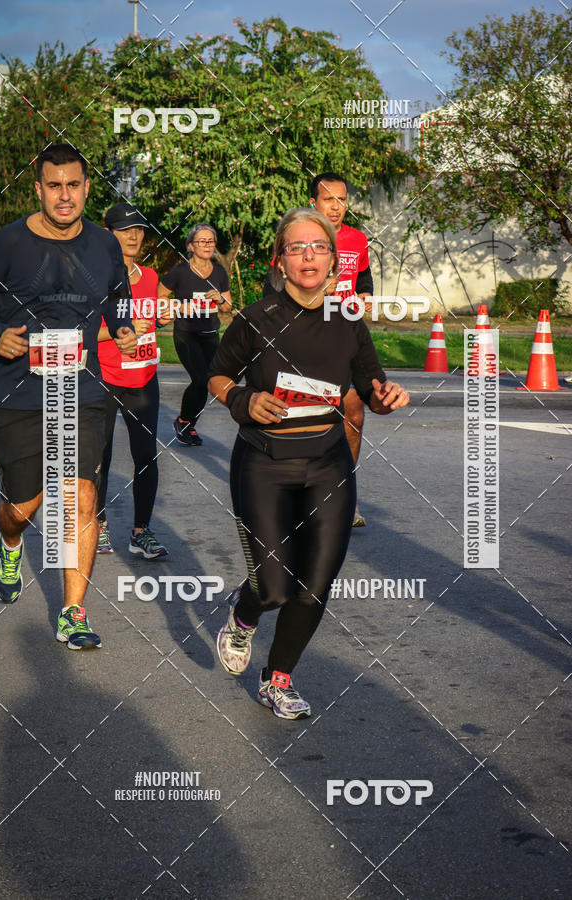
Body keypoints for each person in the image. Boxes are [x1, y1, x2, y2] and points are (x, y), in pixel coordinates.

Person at [209, 208, 409, 719]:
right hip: (263, 464)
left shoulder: (348, 323)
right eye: (296, 247)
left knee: (315, 584)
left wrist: (385, 397)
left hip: (327, 465)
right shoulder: (256, 319)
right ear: (279, 260)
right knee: (274, 588)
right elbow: (218, 376)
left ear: (334, 262)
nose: (308, 256)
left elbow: (369, 386)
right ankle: (244, 613)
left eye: (318, 247)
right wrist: (242, 402)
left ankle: (277, 680)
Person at [0, 144, 136, 649]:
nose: (65, 196)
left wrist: (123, 324)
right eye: (54, 185)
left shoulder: (105, 246)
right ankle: (11, 540)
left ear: (87, 187)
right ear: (38, 188)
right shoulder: (8, 243)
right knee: (24, 504)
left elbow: (117, 291)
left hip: (82, 387)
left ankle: (73, 611)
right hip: (18, 389)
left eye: (74, 185)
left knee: (80, 497)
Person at [264, 173, 374, 527]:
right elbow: (273, 287)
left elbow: (364, 277)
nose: (337, 207)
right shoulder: (297, 235)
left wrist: (366, 294)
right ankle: (293, 492)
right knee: (304, 418)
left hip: (345, 335)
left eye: (342, 200)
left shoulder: (358, 239)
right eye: (329, 200)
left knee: (354, 414)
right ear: (314, 202)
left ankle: (343, 494)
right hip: (305, 337)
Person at [96, 202, 169, 558]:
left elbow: (152, 319)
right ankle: (99, 524)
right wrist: (119, 332)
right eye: (126, 229)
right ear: (108, 233)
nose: (134, 235)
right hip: (106, 379)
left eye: (139, 229)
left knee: (146, 456)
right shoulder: (95, 278)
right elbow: (82, 333)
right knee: (102, 457)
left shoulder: (151, 277)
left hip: (144, 379)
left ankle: (141, 532)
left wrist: (163, 319)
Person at [159, 224, 232, 445]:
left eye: (211, 241)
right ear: (191, 246)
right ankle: (184, 422)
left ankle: (187, 425)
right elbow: (160, 296)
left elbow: (228, 306)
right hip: (186, 334)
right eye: (202, 241)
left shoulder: (219, 272)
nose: (207, 245)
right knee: (200, 378)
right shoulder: (180, 271)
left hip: (210, 334)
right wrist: (179, 308)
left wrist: (220, 299)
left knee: (208, 381)